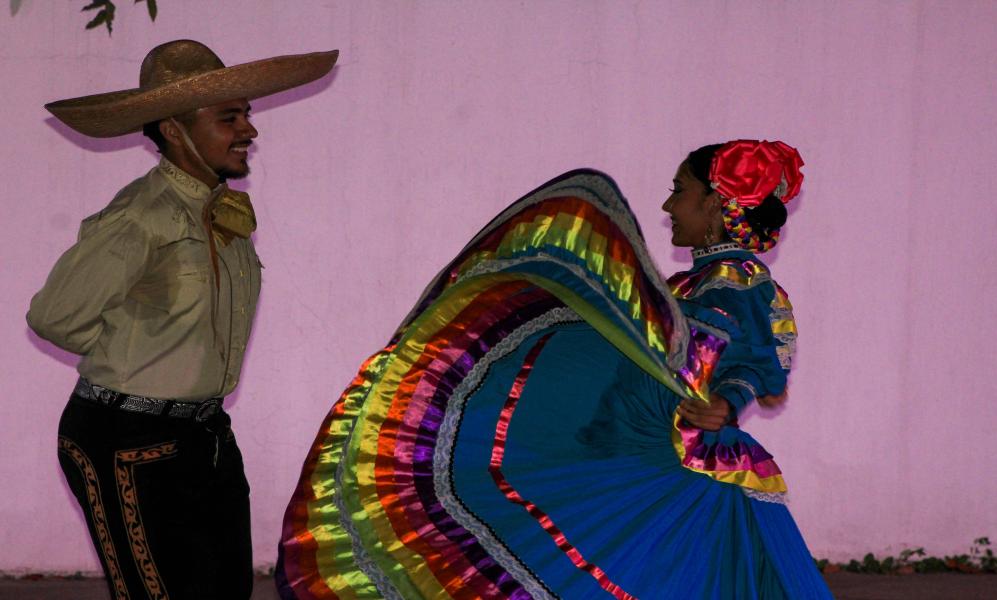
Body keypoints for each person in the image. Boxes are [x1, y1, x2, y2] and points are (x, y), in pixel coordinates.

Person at [276, 141, 831, 598]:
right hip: (658, 457)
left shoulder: (738, 282)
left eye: (680, 191)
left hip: (687, 475)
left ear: (715, 203)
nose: (667, 206)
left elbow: (757, 353)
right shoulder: (692, 286)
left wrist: (727, 401)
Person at [28, 40, 337, 599]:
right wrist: (133, 348)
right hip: (127, 442)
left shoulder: (221, 212)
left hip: (204, 433)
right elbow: (55, 316)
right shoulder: (143, 216)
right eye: (229, 117)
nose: (248, 129)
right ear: (174, 130)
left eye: (247, 113)